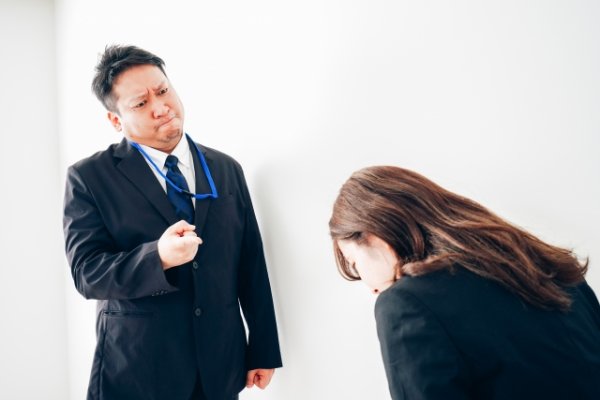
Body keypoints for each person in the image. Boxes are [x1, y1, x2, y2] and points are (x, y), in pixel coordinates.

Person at [63, 45, 282, 400]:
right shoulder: (89, 177)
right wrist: (158, 257)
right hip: (138, 369)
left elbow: (251, 263)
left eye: (163, 91)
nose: (161, 107)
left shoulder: (226, 168)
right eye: (140, 103)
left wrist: (263, 348)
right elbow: (87, 273)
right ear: (116, 121)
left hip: (219, 366)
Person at [329, 166, 600, 399]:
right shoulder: (548, 263)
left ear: (374, 236)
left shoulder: (405, 304)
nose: (369, 286)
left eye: (354, 263)